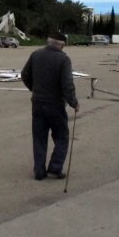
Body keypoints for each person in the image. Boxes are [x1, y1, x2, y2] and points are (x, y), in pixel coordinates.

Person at [21, 32, 80, 181]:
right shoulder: (63, 59)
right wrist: (74, 102)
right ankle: (55, 168)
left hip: (38, 103)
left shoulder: (36, 54)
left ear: (48, 42)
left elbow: (24, 75)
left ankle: (39, 171)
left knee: (39, 138)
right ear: (62, 44)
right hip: (55, 105)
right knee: (62, 136)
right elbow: (67, 85)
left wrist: (34, 90)